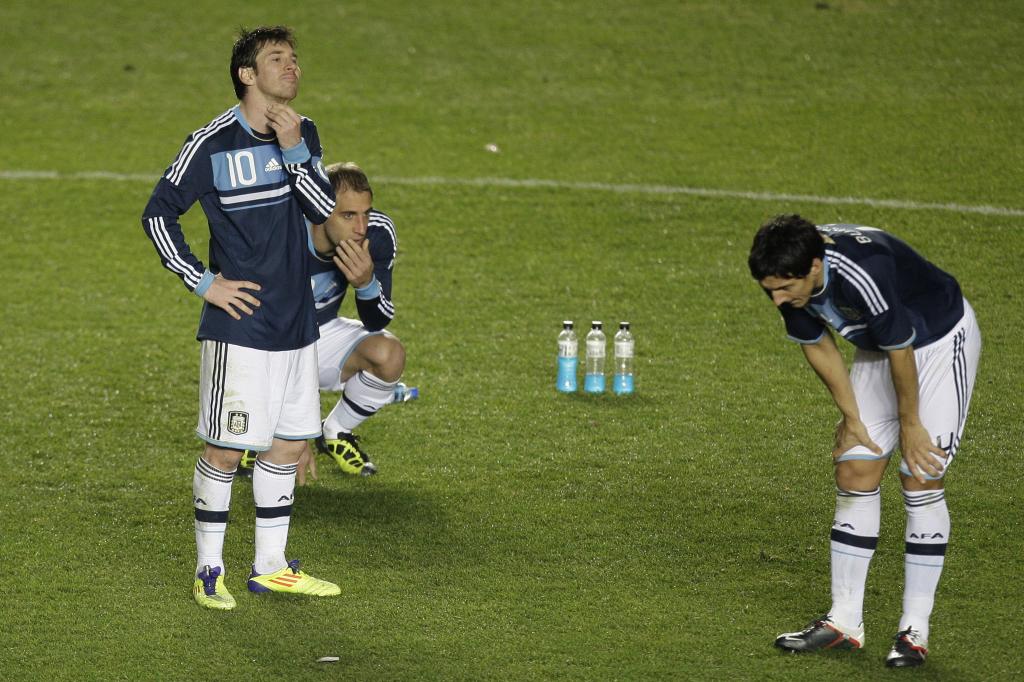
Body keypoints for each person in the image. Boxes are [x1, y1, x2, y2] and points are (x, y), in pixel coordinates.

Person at [141, 25, 341, 610]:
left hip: (297, 323)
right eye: (277, 60)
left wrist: (297, 150)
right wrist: (204, 282)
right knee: (227, 451)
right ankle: (209, 569)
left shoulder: (304, 134)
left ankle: (271, 567)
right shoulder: (211, 144)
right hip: (242, 328)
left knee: (286, 444)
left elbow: (324, 211)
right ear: (246, 75)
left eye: (296, 59)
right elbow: (159, 214)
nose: (293, 68)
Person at [748, 215, 981, 668]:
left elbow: (902, 348)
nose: (778, 298)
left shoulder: (863, 272)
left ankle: (914, 631)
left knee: (921, 475)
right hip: (881, 346)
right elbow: (817, 341)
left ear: (815, 267)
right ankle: (844, 623)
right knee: (855, 466)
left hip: (935, 340)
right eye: (769, 289)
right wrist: (851, 417)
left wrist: (910, 423)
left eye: (784, 288)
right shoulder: (786, 274)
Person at [238, 162, 406, 482]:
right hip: (263, 342)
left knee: (389, 354)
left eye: (365, 213)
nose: (361, 227)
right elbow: (256, 322)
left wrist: (366, 285)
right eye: (347, 215)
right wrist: (297, 428)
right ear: (319, 209)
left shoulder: (377, 234)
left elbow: (377, 319)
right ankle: (255, 431)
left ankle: (336, 432)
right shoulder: (282, 236)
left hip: (321, 331)